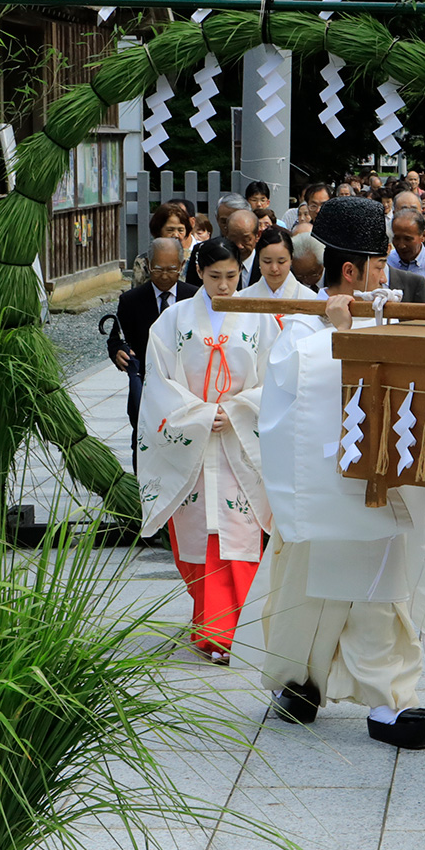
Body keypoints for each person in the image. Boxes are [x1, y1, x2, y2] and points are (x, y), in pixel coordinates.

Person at [248, 195, 425, 750]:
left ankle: (389, 701)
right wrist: (340, 337)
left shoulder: (384, 314)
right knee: (306, 595)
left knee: (378, 593)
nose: (387, 275)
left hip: (377, 481)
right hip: (325, 486)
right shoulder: (301, 329)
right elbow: (298, 397)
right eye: (379, 265)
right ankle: (297, 682)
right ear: (350, 271)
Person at [136, 238, 275, 664]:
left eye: (232, 277)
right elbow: (159, 383)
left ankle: (220, 632)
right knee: (197, 535)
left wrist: (234, 411)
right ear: (199, 272)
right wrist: (198, 417)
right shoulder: (173, 320)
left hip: (239, 442)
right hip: (193, 444)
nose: (224, 286)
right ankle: (210, 623)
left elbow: (276, 379)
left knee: (239, 533)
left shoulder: (261, 321)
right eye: (215, 277)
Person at [107, 236, 187, 464]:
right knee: (144, 442)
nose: (164, 275)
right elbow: (116, 337)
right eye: (158, 268)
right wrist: (118, 351)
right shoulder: (131, 300)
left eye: (171, 269)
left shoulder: (193, 296)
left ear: (182, 266)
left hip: (185, 385)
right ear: (148, 265)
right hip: (145, 382)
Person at [224, 206, 260, 283]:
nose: (239, 245)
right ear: (226, 234)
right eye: (233, 239)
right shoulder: (216, 262)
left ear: (257, 236)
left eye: (246, 240)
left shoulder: (266, 266)